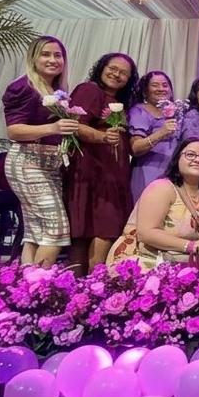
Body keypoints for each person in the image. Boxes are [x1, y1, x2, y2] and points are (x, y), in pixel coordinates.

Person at [3, 35, 78, 267]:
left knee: (37, 231)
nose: (53, 60)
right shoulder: (23, 87)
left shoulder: (57, 90)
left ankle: (26, 282)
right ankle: (41, 282)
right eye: (46, 54)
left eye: (58, 55)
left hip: (51, 165)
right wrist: (53, 128)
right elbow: (14, 131)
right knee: (56, 228)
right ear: (33, 58)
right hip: (28, 162)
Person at [106, 139, 199, 270]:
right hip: (148, 262)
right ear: (177, 159)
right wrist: (192, 246)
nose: (198, 160)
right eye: (190, 155)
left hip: (187, 264)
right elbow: (146, 234)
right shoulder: (162, 188)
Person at [65, 53, 137, 273]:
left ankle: (88, 286)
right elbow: (74, 125)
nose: (116, 74)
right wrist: (103, 137)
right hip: (93, 174)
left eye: (123, 73)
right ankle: (86, 285)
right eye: (112, 68)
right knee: (96, 230)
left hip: (112, 176)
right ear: (101, 67)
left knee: (101, 230)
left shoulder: (119, 102)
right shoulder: (90, 90)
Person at [128, 71, 179, 200]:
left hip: (174, 174)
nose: (161, 89)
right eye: (155, 85)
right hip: (148, 174)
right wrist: (161, 133)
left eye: (165, 85)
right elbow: (135, 148)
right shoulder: (140, 111)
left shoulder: (178, 112)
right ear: (145, 91)